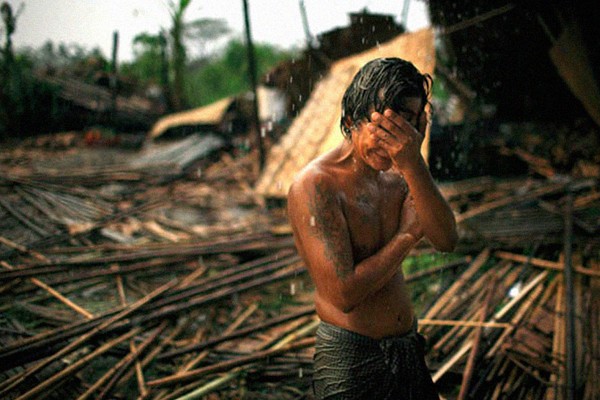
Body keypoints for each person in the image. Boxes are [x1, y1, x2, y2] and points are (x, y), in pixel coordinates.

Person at [287, 57, 458, 399]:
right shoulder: (317, 185)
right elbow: (343, 294)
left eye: (407, 129)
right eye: (385, 130)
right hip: (351, 361)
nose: (395, 144)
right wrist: (407, 236)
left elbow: (446, 239)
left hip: (407, 349)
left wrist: (414, 160)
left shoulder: (401, 173)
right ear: (352, 122)